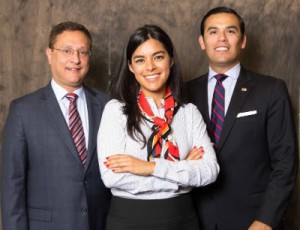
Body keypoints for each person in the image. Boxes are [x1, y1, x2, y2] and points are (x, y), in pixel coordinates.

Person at [96, 24, 219, 230]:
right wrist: (183, 176)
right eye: (140, 60)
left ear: (170, 59)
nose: (150, 67)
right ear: (130, 66)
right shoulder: (116, 111)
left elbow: (210, 170)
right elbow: (112, 177)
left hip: (183, 219)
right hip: (129, 221)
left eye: (158, 57)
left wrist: (149, 167)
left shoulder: (189, 113)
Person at [186, 6, 297, 230]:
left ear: (243, 40)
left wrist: (266, 220)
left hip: (252, 220)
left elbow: (285, 162)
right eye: (213, 31)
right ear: (202, 41)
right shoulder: (185, 93)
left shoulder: (271, 89)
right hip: (195, 219)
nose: (222, 39)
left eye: (231, 31)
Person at [1, 21, 111, 230]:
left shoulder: (108, 105)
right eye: (67, 51)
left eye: (83, 52)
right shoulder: (23, 111)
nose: (75, 60)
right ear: (50, 54)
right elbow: (12, 187)